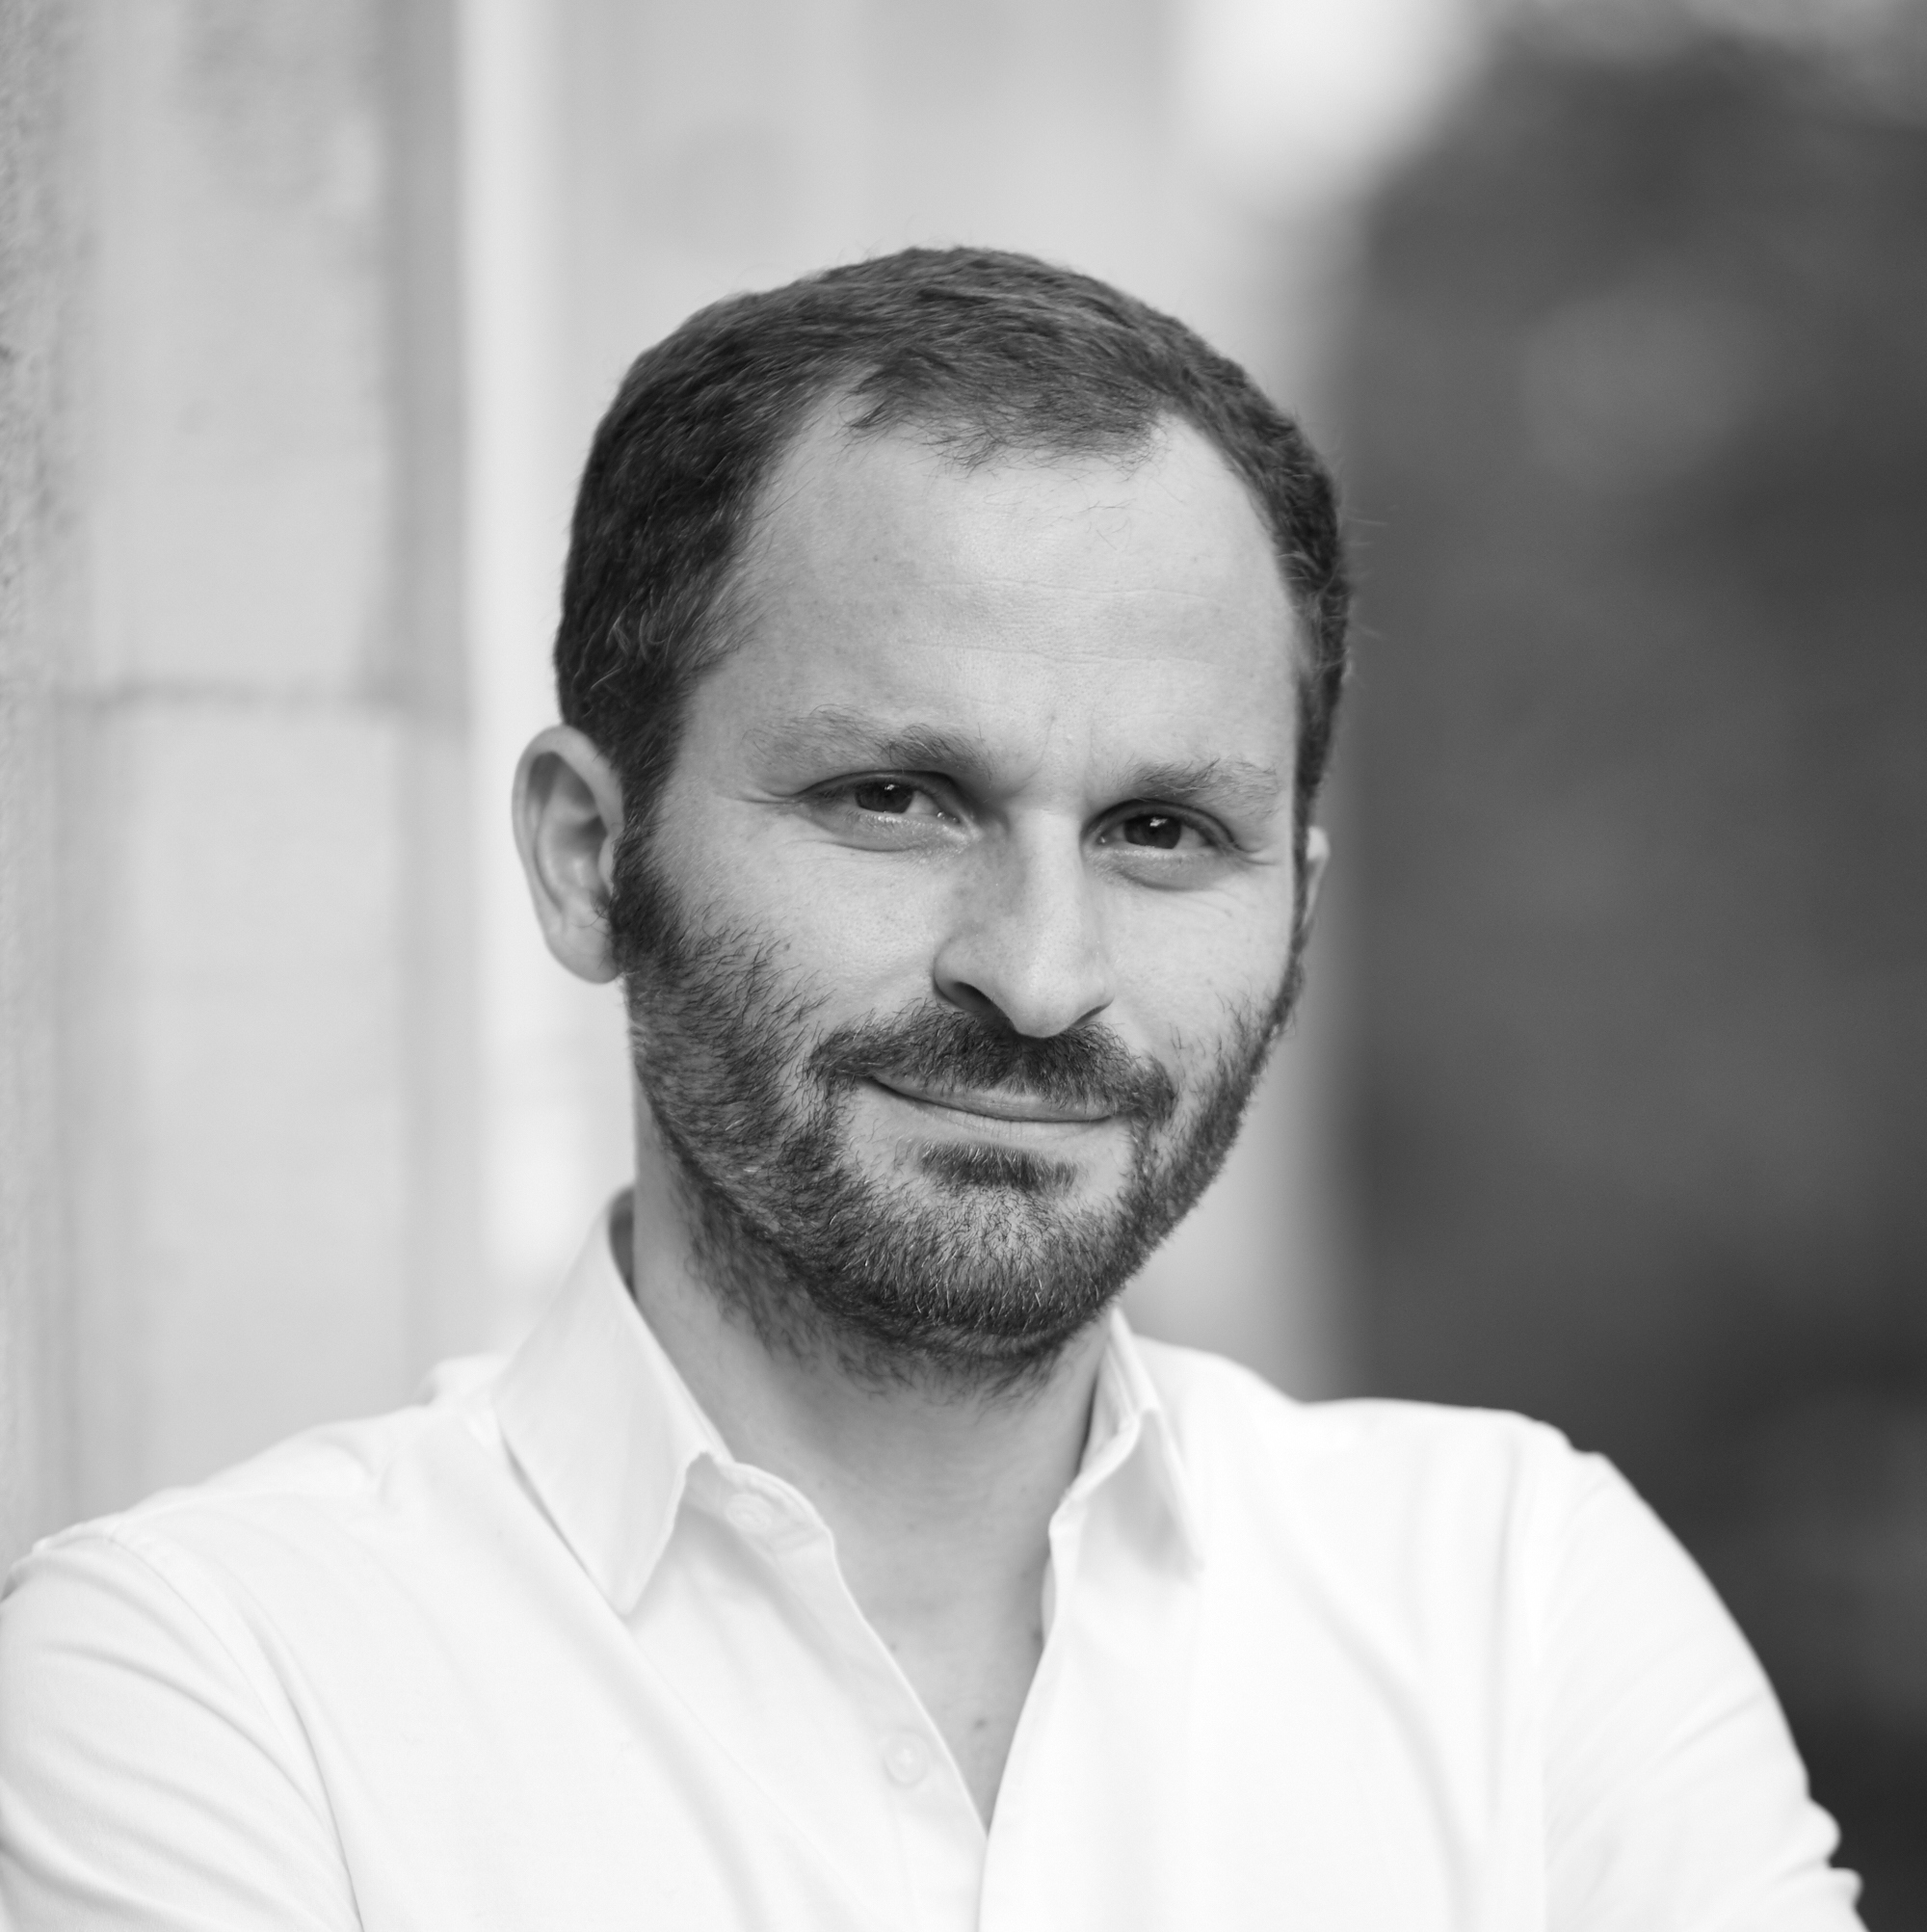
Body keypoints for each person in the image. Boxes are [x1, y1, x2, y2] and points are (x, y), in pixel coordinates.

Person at [0, 248, 1861, 1930]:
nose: (1040, 975)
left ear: (1297, 905)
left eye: (1160, 829)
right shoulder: (211, 1686)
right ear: (586, 855)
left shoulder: (1521, 1609)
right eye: (895, 798)